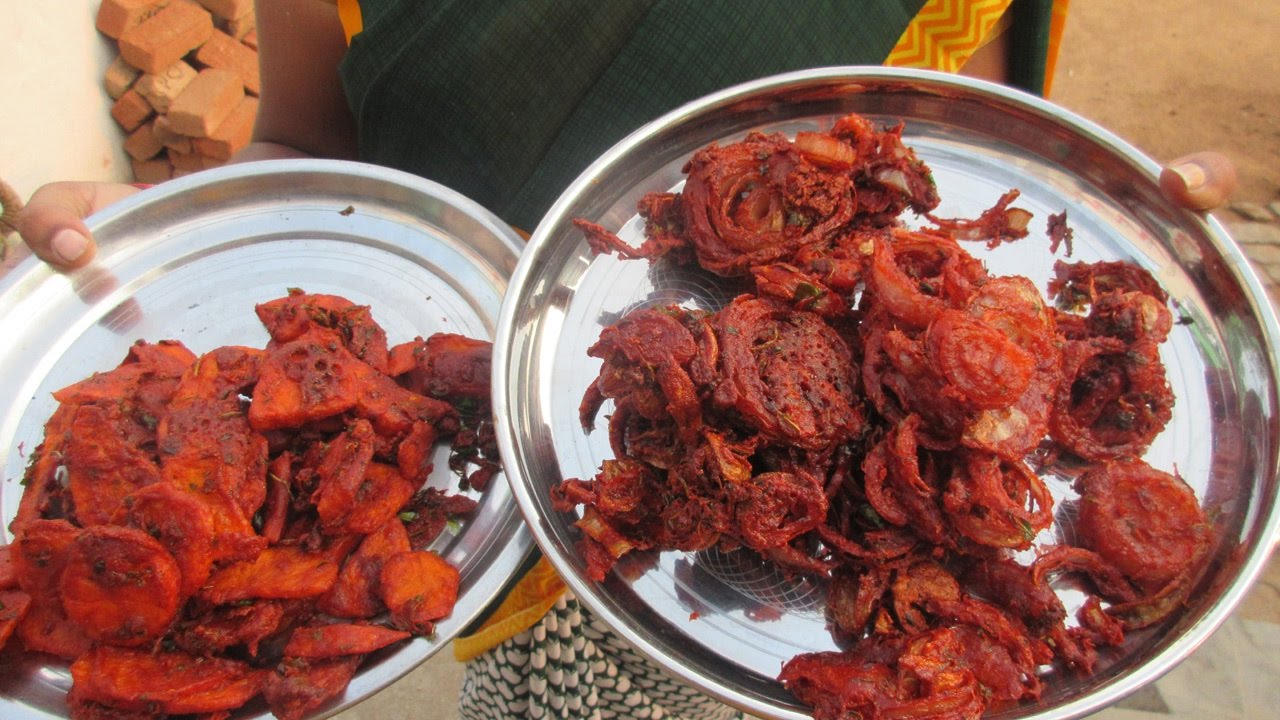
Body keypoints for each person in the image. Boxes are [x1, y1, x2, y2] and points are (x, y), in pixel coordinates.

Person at [4, 1, 1240, 718]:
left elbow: (941, 152)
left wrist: (1114, 237)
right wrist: (137, 249)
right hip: (477, 513)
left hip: (719, 611)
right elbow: (298, 140)